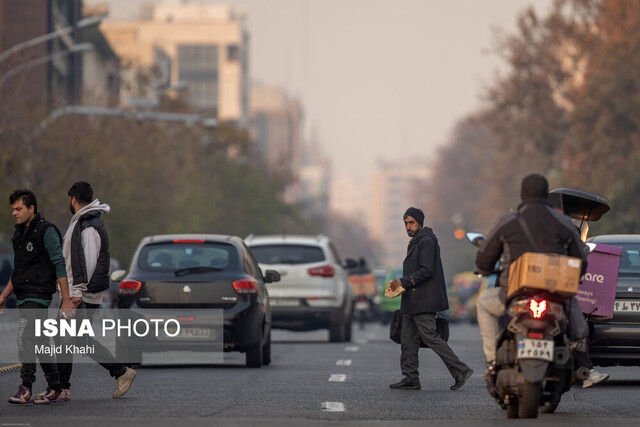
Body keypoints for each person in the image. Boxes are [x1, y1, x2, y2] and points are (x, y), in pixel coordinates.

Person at [474, 174, 607, 386]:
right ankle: (579, 367)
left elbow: (483, 259)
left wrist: (484, 268)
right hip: (555, 297)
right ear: (546, 195)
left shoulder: (507, 221)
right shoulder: (564, 223)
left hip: (513, 294)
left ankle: (491, 361)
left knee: (482, 303)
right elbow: (580, 260)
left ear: (522, 194)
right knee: (572, 323)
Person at [49, 182, 136, 400]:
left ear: (73, 200)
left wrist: (76, 294)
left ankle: (121, 372)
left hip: (81, 295)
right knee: (67, 339)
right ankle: (63, 388)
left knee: (74, 339)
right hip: (76, 294)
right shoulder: (83, 222)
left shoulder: (88, 226)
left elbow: (85, 263)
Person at [0, 189, 75, 404]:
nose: (14, 213)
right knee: (40, 341)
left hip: (40, 295)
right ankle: (55, 387)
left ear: (31, 208)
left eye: (19, 209)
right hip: (24, 295)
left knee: (24, 337)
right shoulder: (18, 235)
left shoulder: (47, 231)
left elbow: (59, 264)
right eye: (12, 209)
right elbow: (18, 271)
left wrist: (67, 299)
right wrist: (3, 295)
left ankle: (26, 387)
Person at [388, 207, 473, 391]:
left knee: (431, 337)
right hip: (412, 301)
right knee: (407, 339)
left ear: (419, 222)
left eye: (411, 222)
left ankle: (461, 370)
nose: (408, 227)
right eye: (405, 223)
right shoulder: (417, 241)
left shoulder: (426, 241)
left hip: (424, 300)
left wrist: (404, 282)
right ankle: (410, 378)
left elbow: (426, 270)